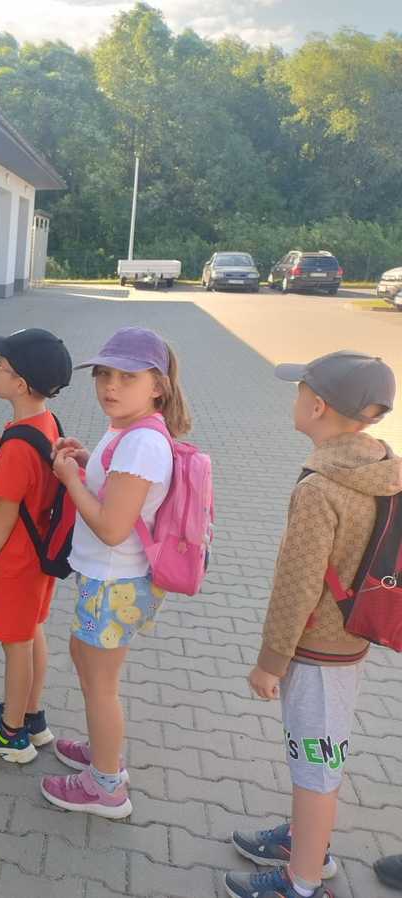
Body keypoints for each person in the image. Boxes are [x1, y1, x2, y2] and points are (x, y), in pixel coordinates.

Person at [225, 351, 399, 898]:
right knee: (322, 753)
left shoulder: (320, 489)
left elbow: (296, 585)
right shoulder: (384, 467)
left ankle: (302, 881)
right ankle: (306, 839)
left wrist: (269, 662)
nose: (295, 397)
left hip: (318, 650)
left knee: (315, 768)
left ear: (317, 406)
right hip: (352, 640)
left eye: (300, 389)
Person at [41, 327, 190, 819]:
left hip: (115, 580)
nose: (110, 385)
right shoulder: (128, 428)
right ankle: (102, 750)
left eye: (128, 376)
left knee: (101, 686)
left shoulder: (141, 443)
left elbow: (110, 527)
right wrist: (89, 462)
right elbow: (119, 491)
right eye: (104, 374)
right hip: (107, 578)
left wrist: (70, 479)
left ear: (158, 386)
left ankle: (106, 787)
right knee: (85, 662)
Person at [0, 328, 73, 763]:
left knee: (16, 644)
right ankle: (30, 713)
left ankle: (11, 733)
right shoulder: (45, 423)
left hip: (15, 560)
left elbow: (5, 512)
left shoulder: (19, 446)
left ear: (20, 384)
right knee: (31, 631)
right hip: (37, 558)